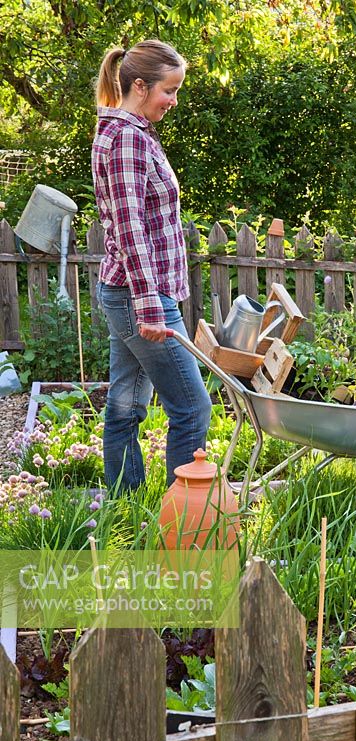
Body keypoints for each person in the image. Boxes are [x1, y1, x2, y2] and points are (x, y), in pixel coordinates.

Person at [92, 40, 212, 491]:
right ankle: (181, 519)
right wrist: (149, 307)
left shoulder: (129, 133)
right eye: (170, 90)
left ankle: (127, 504)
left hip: (132, 292)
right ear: (139, 86)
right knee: (192, 407)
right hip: (140, 295)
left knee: (125, 405)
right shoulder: (125, 139)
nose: (174, 101)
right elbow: (129, 229)